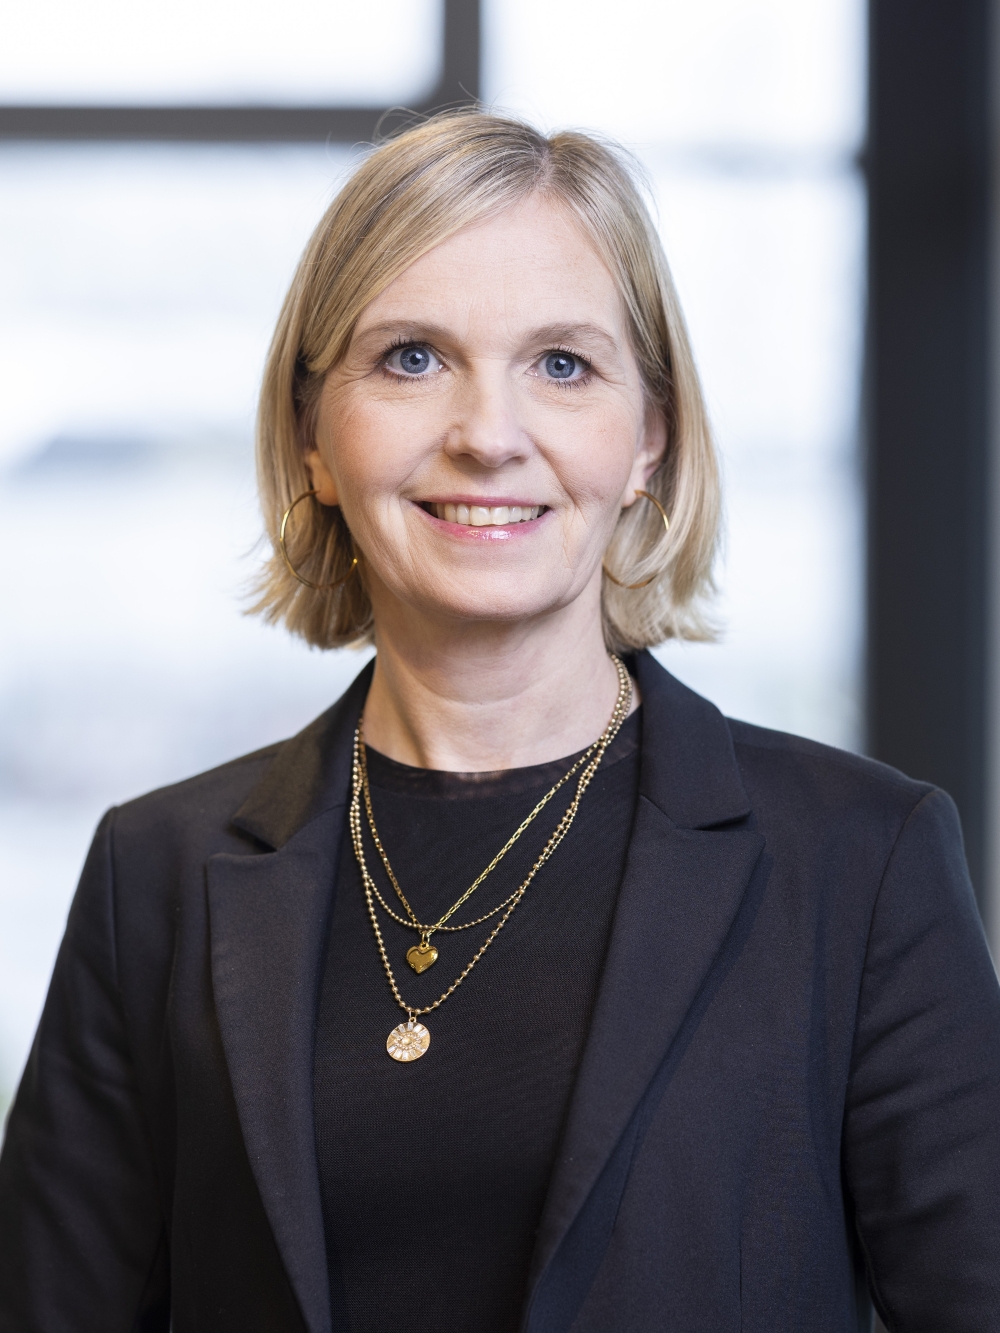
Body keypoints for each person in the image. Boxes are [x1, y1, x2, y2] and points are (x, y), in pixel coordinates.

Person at [1, 109, 998, 1333]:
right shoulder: (150, 875)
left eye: (563, 365)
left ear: (649, 439)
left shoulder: (861, 861)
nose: (487, 433)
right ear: (315, 436)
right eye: (412, 357)